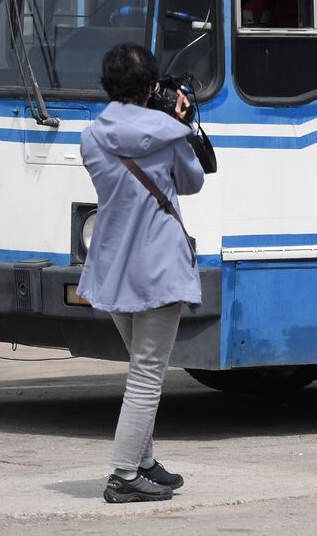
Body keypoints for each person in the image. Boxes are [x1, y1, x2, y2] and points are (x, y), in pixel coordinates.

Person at [79, 43, 208, 503]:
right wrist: (181, 124)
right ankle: (123, 473)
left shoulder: (91, 136)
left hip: (113, 268)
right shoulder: (168, 132)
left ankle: (145, 460)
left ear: (108, 87)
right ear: (152, 87)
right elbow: (193, 182)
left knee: (139, 368)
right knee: (148, 376)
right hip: (157, 268)